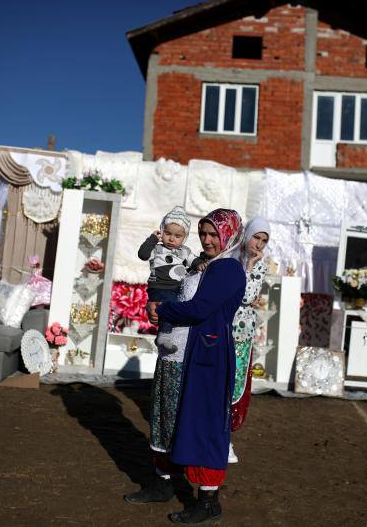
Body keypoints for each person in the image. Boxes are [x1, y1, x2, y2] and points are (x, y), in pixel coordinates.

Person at [125, 208, 246, 525]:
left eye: (213, 235)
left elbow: (200, 308)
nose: (207, 240)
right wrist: (158, 309)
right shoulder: (206, 266)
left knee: (202, 424)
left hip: (207, 356)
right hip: (181, 353)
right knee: (166, 417)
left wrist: (164, 309)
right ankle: (162, 483)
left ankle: (208, 501)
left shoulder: (229, 269)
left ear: (229, 236)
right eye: (203, 234)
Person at [229, 216, 270, 463]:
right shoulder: (229, 256)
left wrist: (251, 265)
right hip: (221, 329)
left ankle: (225, 440)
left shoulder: (260, 265)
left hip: (242, 334)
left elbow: (245, 296)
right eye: (257, 237)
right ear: (247, 234)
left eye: (264, 240)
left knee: (235, 385)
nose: (259, 244)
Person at [137, 206, 204, 349]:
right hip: (160, 286)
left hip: (175, 288)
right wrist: (152, 239)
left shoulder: (185, 251)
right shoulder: (157, 249)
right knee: (169, 305)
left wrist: (199, 264)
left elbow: (194, 260)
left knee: (171, 306)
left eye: (177, 236)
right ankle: (163, 335)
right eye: (167, 233)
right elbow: (143, 255)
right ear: (162, 231)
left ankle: (166, 333)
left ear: (184, 237)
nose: (172, 239)